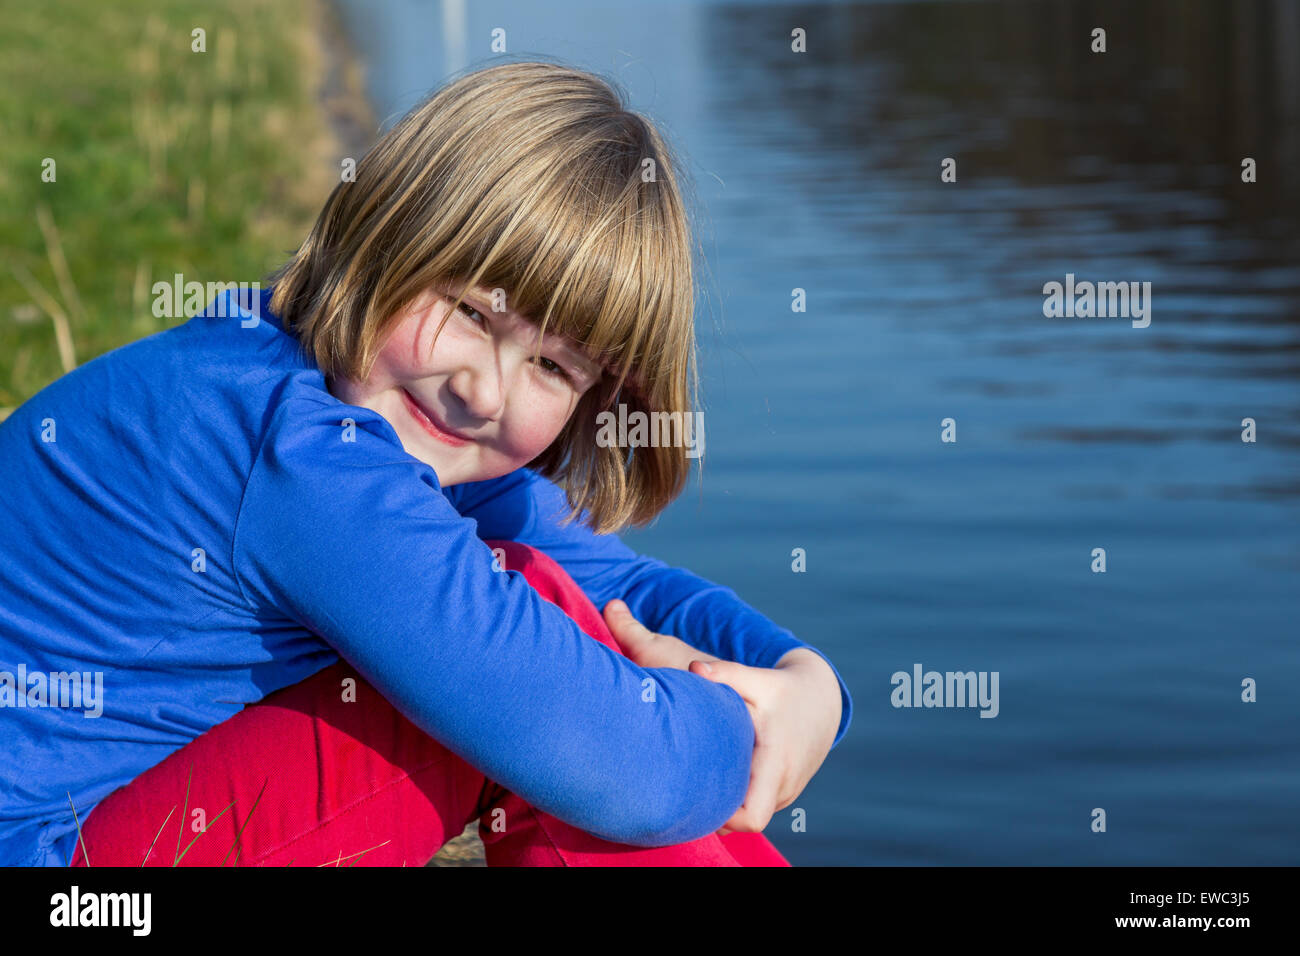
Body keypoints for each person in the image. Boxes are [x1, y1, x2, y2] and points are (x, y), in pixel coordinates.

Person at [0, 60, 852, 867]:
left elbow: (621, 591)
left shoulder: (308, 379)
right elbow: (630, 772)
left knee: (540, 614)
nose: (485, 392)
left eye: (553, 368)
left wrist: (805, 682)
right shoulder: (304, 459)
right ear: (388, 234)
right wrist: (747, 731)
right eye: (473, 313)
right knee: (534, 683)